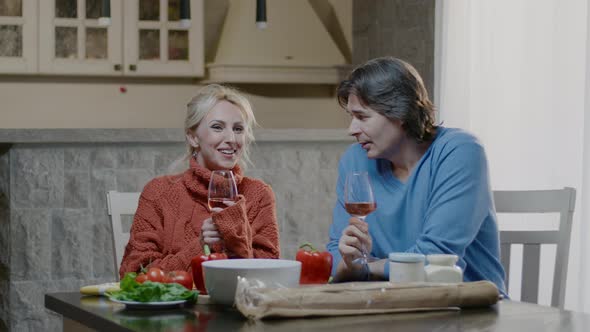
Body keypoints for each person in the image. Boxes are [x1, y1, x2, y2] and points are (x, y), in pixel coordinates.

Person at [327, 56, 506, 294]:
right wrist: (352, 261)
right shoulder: (355, 159)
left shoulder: (460, 151)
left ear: (399, 112)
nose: (352, 130)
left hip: (467, 309)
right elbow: (335, 252)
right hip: (390, 309)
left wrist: (369, 267)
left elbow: (438, 258)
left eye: (362, 117)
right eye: (351, 117)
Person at [119, 84, 280, 278]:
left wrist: (237, 241)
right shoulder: (158, 192)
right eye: (217, 127)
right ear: (193, 137)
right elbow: (135, 273)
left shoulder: (259, 194)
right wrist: (199, 246)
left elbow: (271, 275)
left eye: (238, 129)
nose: (231, 138)